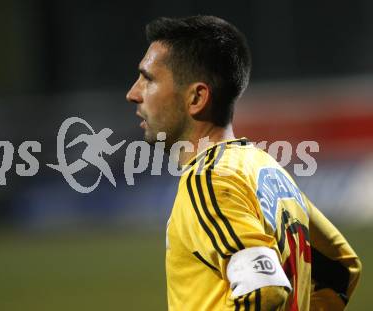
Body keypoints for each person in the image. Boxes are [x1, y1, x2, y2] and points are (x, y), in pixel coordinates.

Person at [126, 15, 361, 311]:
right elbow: (340, 269)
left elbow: (265, 291)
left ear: (196, 98)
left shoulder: (209, 180)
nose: (133, 93)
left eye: (148, 79)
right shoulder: (266, 168)